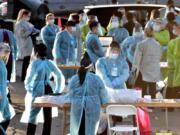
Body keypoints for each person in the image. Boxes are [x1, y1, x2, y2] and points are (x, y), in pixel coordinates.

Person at [20, 44, 65, 135]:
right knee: (47, 116)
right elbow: (59, 76)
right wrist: (57, 90)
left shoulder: (34, 64)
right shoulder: (50, 63)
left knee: (33, 115)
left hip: (37, 90)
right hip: (48, 88)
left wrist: (30, 88)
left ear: (36, 53)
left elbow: (28, 79)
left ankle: (30, 133)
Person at [68, 56, 109, 135]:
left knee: (79, 130)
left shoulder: (74, 79)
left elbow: (70, 95)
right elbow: (103, 96)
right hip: (93, 108)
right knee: (90, 131)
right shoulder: (97, 79)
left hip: (77, 108)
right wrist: (104, 101)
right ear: (91, 66)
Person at [133, 28, 162, 98]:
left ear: (145, 33)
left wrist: (134, 69)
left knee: (143, 89)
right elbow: (159, 56)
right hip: (154, 69)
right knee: (153, 88)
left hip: (144, 69)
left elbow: (136, 59)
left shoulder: (141, 44)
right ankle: (152, 105)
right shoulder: (158, 44)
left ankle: (143, 106)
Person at [15, 9, 39, 81]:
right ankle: (24, 77)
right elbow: (21, 35)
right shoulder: (19, 24)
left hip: (29, 43)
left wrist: (37, 31)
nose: (29, 17)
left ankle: (27, 76)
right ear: (23, 15)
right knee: (26, 61)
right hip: (24, 44)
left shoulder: (28, 23)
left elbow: (35, 30)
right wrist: (30, 31)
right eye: (28, 16)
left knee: (29, 61)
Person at [0, 43, 15, 134]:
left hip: (3, 93)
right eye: (5, 52)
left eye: (7, 53)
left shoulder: (2, 62)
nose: (6, 55)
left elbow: (2, 77)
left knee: (7, 116)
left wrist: (8, 84)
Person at [166, 23, 180, 99]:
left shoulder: (174, 41)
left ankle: (169, 106)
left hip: (174, 67)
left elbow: (174, 54)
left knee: (172, 86)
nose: (173, 30)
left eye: (175, 29)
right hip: (174, 67)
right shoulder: (173, 41)